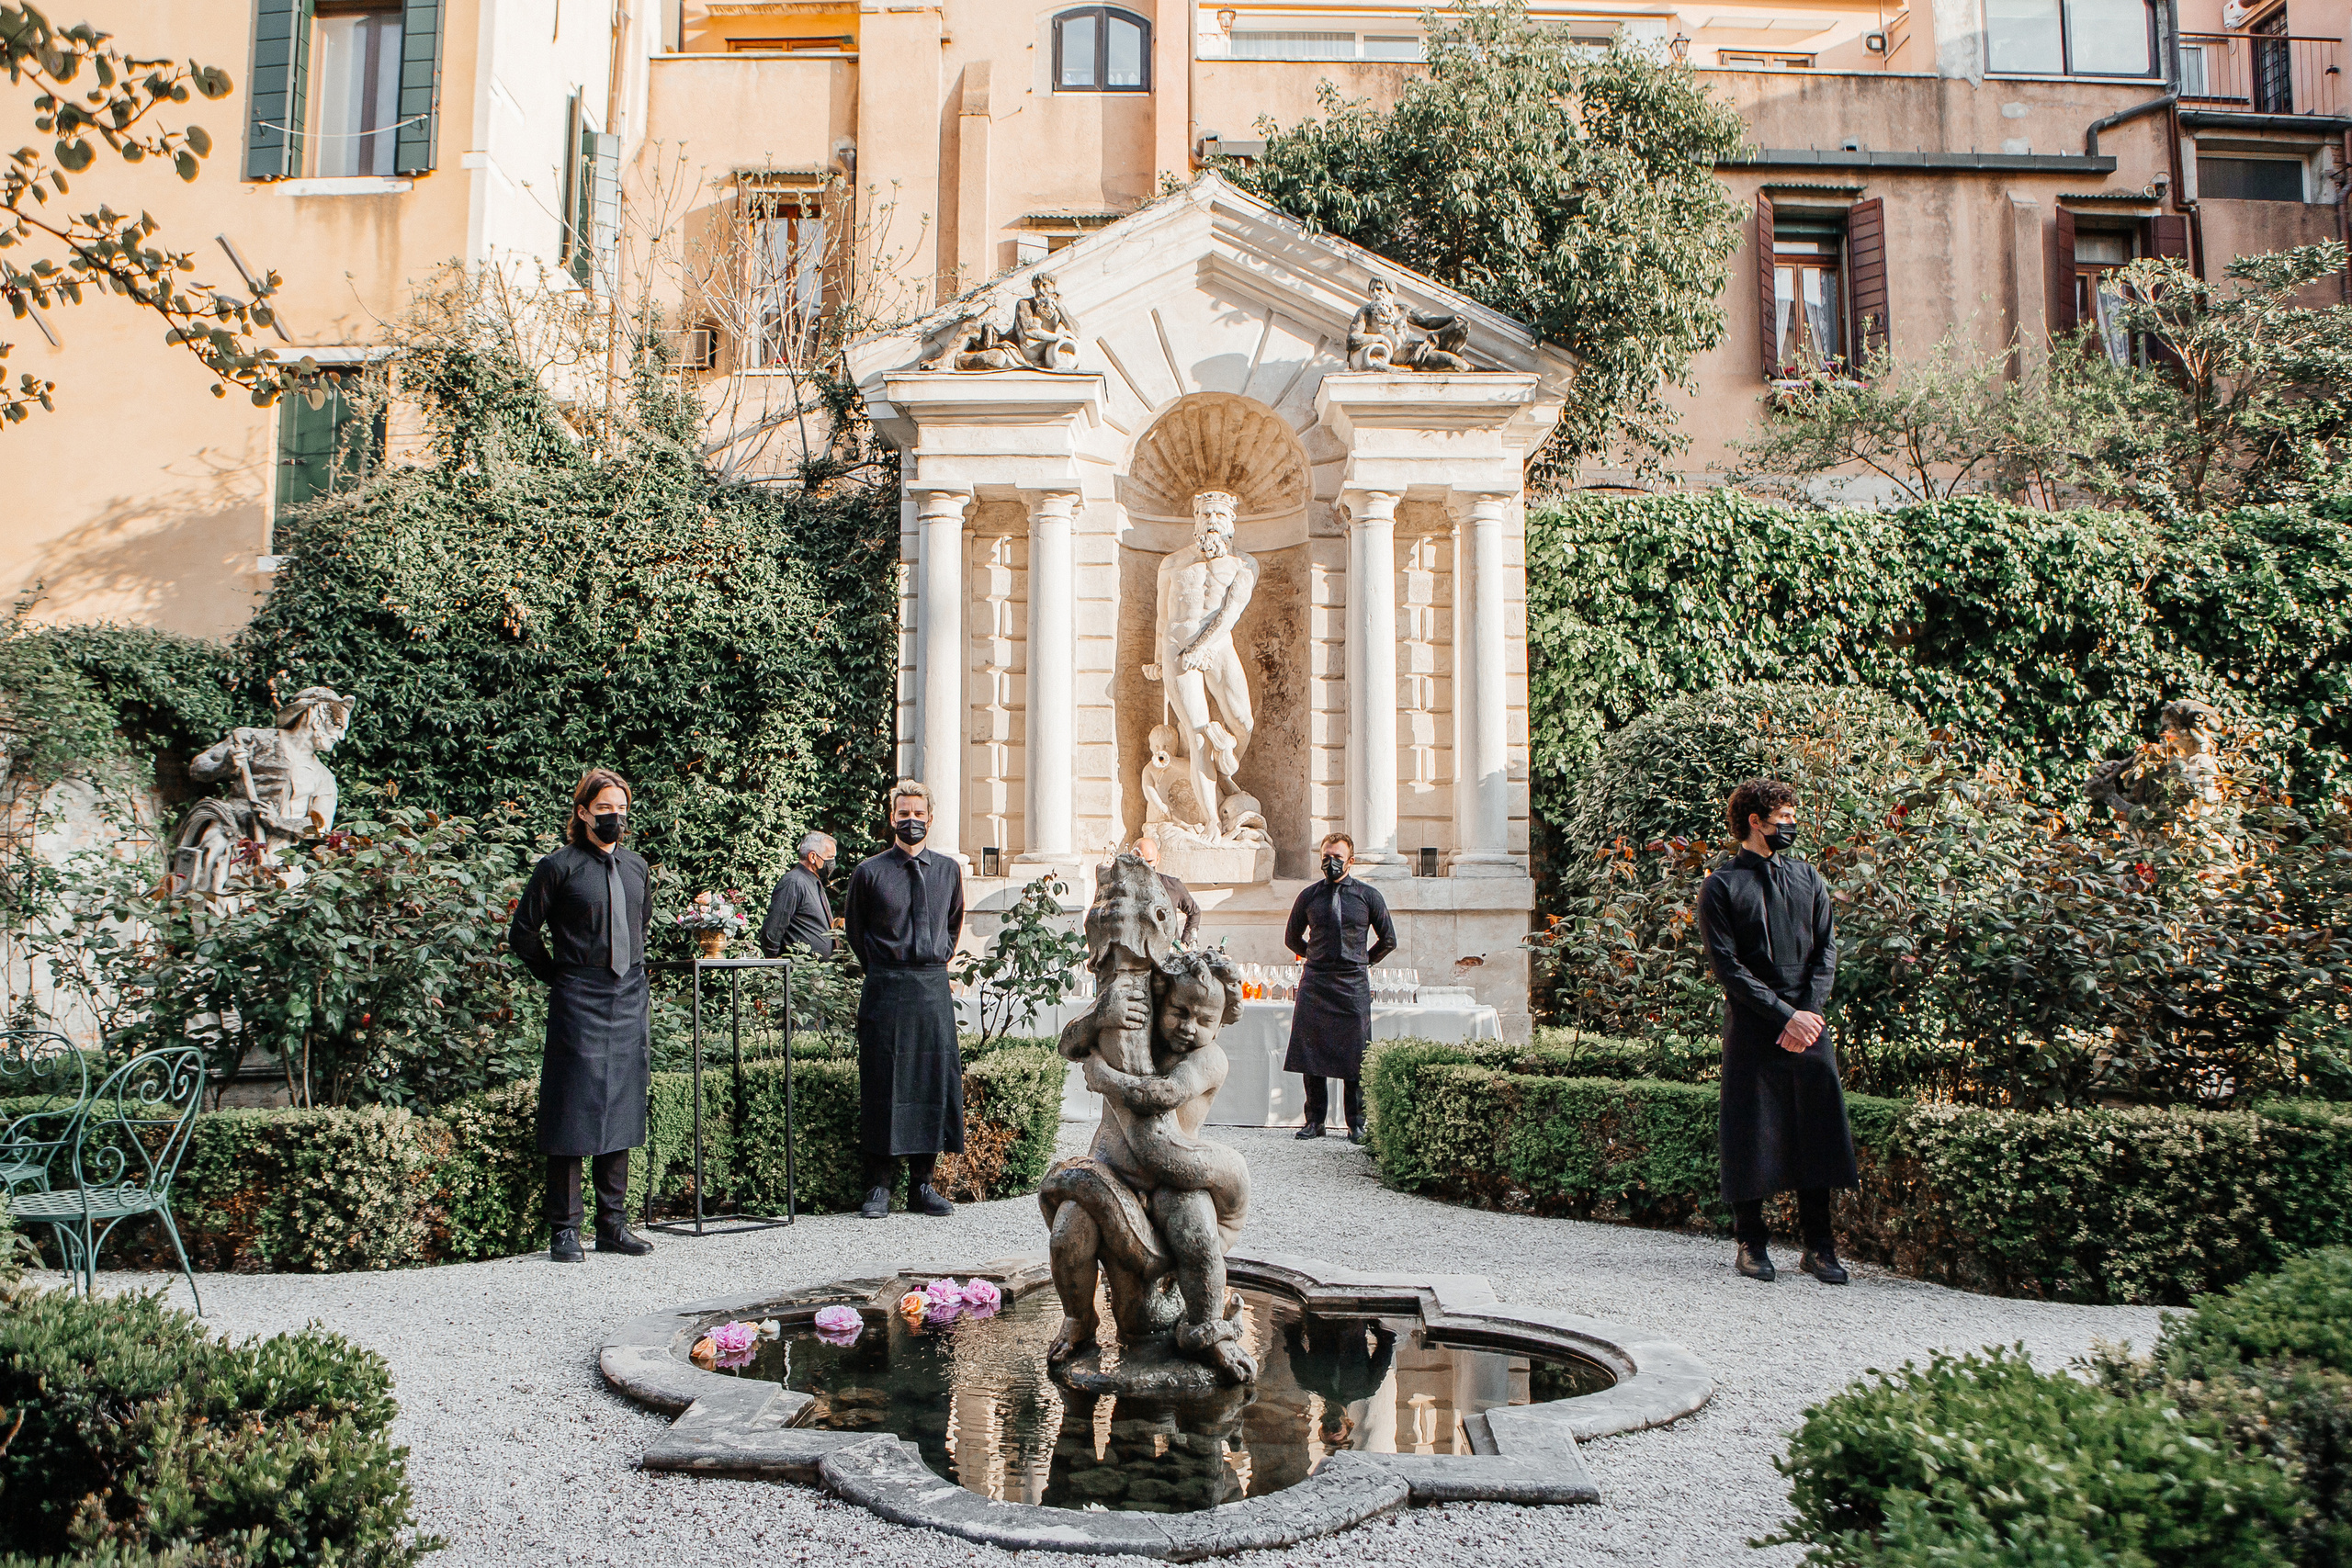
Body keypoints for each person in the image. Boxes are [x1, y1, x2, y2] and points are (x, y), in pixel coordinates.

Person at [1695, 777, 1857, 1286]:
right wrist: (1784, 1016)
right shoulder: (1720, 886)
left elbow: (1827, 950)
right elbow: (1728, 967)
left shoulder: (1809, 877)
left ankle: (1819, 1248)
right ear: (1754, 822)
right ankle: (1751, 1243)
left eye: (1792, 817)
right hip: (1754, 1023)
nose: (1790, 826)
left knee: (1818, 1131)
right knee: (1750, 1133)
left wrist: (1805, 1015)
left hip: (1808, 1025)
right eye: (1782, 818)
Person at [508, 767, 656, 1263]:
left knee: (622, 1107)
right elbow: (523, 934)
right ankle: (565, 1231)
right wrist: (559, 977)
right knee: (571, 1110)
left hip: (629, 996)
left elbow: (639, 927)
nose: (614, 817)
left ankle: (613, 1226)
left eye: (621, 809)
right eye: (604, 809)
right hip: (579, 996)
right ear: (582, 813)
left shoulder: (636, 867)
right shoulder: (558, 867)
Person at [842, 780, 966, 1221]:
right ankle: (879, 1187)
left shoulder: (949, 871)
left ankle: (922, 1186)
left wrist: (935, 960)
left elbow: (953, 923)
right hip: (887, 986)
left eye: (918, 814)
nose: (910, 821)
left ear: (930, 819)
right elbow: (856, 932)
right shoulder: (869, 872)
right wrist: (883, 965)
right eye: (903, 814)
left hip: (932, 988)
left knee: (931, 1083)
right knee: (883, 1083)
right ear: (891, 818)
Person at [1281, 832, 1396, 1144]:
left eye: (1337, 858)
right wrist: (1316, 955)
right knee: (1311, 1052)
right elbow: (1291, 939)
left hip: (1352, 984)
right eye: (1326, 857)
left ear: (1351, 861)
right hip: (1316, 981)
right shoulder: (1309, 896)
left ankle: (1356, 1123)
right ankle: (1314, 1121)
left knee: (1355, 1056)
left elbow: (1389, 940)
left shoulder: (1368, 896)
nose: (1331, 863)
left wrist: (1362, 961)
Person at [759, 831, 838, 958]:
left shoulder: (814, 882)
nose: (832, 863)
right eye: (829, 858)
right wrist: (776, 965)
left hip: (817, 972)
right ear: (812, 857)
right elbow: (773, 930)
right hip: (799, 971)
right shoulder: (794, 882)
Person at [1132, 834, 1201, 944]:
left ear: (1158, 859)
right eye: (1140, 862)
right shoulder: (1123, 887)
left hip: (1168, 952)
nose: (1145, 867)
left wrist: (1185, 943)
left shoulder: (1172, 885)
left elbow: (1194, 912)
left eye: (1149, 862)